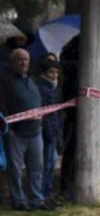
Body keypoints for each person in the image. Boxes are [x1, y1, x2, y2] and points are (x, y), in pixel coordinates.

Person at [0, 48, 48, 210]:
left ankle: (37, 199)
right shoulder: (5, 81)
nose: (23, 63)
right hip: (16, 133)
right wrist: (9, 128)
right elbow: (3, 105)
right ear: (12, 62)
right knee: (15, 170)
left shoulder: (33, 80)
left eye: (26, 59)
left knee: (36, 169)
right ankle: (19, 201)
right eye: (20, 59)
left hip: (35, 132)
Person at [34, 53, 62, 207]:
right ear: (44, 73)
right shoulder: (43, 88)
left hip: (53, 130)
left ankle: (48, 192)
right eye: (51, 72)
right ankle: (43, 195)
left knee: (51, 163)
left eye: (56, 72)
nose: (54, 75)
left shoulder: (54, 88)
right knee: (45, 164)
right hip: (46, 131)